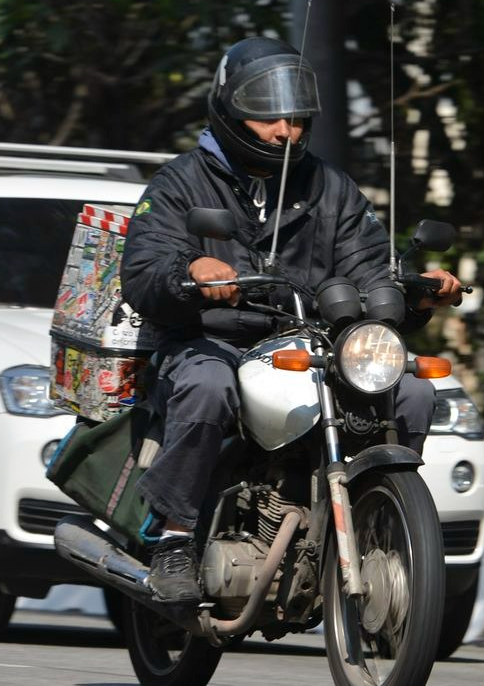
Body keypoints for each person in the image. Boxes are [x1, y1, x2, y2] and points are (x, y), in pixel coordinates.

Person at [120, 37, 463, 603]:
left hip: (313, 345)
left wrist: (413, 295)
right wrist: (192, 267)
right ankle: (175, 539)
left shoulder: (331, 189)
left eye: (296, 118)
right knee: (207, 387)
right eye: (267, 116)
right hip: (210, 340)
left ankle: (376, 519)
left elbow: (367, 268)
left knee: (411, 394)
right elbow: (144, 270)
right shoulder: (180, 183)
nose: (286, 131)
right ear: (231, 110)